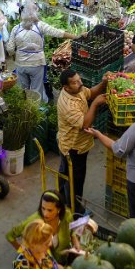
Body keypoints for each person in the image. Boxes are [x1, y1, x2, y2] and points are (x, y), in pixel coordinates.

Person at [5, 0, 86, 103]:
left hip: (21, 65)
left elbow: (10, 48)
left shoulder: (16, 29)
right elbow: (57, 32)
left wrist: (14, 56)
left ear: (20, 15)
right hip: (37, 64)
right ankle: (36, 110)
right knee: (36, 90)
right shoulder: (39, 25)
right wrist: (76, 37)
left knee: (23, 89)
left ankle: (24, 109)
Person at [56, 68, 113, 211]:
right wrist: (95, 104)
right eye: (75, 82)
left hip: (70, 143)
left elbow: (91, 93)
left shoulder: (77, 89)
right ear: (66, 87)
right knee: (76, 181)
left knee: (65, 173)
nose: (80, 83)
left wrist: (103, 83)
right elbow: (85, 125)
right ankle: (76, 211)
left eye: (79, 79)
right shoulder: (68, 105)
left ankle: (61, 200)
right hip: (74, 147)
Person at [5, 190, 79, 265]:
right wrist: (26, 253)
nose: (45, 214)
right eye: (43, 208)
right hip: (45, 266)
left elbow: (71, 231)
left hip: (64, 261)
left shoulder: (67, 216)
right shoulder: (34, 221)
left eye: (50, 210)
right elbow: (10, 236)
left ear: (58, 210)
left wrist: (76, 242)